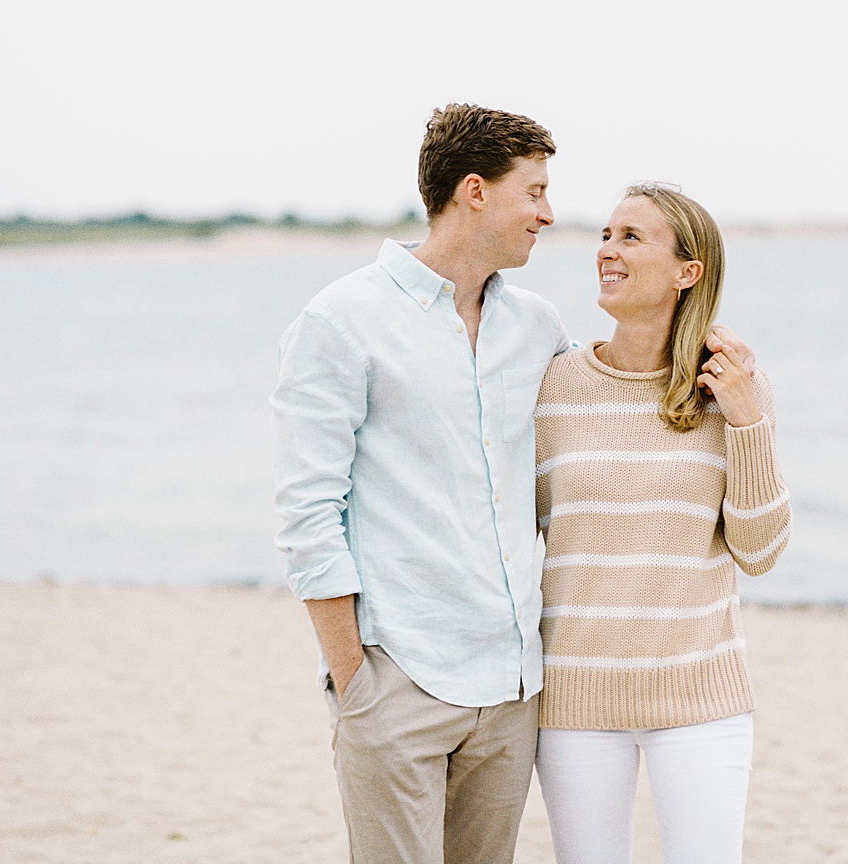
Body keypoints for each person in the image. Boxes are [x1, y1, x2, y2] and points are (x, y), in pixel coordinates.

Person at [272, 107, 751, 864]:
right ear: (475, 192)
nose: (549, 214)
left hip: (512, 690)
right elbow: (307, 513)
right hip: (398, 675)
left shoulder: (535, 329)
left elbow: (619, 404)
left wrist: (723, 381)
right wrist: (355, 677)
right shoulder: (342, 320)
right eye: (534, 191)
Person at [532, 183, 792, 864]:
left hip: (700, 699)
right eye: (607, 235)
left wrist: (745, 419)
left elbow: (760, 552)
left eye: (631, 238)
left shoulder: (734, 389)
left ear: (688, 272)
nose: (607, 252)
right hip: (575, 701)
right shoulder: (553, 386)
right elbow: (515, 528)